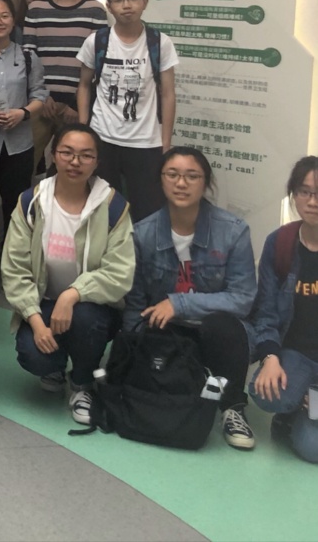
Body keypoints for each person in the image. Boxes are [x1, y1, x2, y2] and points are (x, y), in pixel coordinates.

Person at [124, 147, 257, 449]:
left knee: (223, 326)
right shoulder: (143, 233)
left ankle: (232, 406)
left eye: (192, 176)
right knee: (148, 326)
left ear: (205, 182)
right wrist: (130, 352)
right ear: (161, 180)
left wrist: (179, 303)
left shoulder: (233, 231)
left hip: (215, 334)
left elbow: (242, 298)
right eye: (172, 174)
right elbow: (136, 302)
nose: (181, 183)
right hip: (169, 334)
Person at [1, 123, 134, 424]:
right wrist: (35, 321)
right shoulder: (31, 202)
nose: (75, 162)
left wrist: (73, 294)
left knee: (86, 320)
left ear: (96, 162)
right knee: (33, 355)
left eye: (86, 155)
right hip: (43, 303)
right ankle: (55, 367)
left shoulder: (113, 207)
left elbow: (120, 273)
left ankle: (82, 382)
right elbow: (14, 269)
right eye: (67, 153)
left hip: (92, 307)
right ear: (53, 154)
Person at [76, 0, 178, 221]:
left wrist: (165, 143)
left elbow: (168, 93)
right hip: (102, 137)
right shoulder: (97, 41)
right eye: (119, 0)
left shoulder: (159, 42)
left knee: (147, 211)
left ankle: (139, 249)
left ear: (145, 2)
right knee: (100, 210)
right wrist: (84, 129)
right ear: (109, 6)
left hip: (146, 141)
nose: (127, 5)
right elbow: (84, 85)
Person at [250, 155, 318, 463]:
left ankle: (306, 405)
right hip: (297, 356)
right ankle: (297, 405)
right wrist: (270, 357)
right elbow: (265, 310)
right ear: (294, 194)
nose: (313, 201)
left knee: (312, 448)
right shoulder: (281, 243)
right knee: (264, 390)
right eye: (305, 192)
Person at [23, 0, 108, 182]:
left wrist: (76, 105)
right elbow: (28, 56)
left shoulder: (95, 10)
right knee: (25, 166)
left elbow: (99, 63)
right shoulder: (36, 9)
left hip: (75, 106)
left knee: (74, 168)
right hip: (41, 103)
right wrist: (41, 97)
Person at [0, 0, 48, 253]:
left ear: (13, 20)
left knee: (16, 204)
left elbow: (40, 95)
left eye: (4, 16)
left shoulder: (28, 57)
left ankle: (12, 257)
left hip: (19, 143)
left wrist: (23, 113)